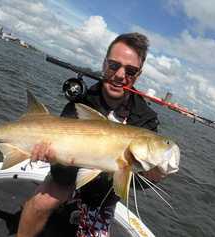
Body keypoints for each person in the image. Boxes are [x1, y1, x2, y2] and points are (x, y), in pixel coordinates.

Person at [17, 32, 163, 237]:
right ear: (104, 64)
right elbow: (60, 175)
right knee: (39, 205)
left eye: (130, 71)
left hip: (103, 195)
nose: (120, 75)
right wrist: (54, 158)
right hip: (67, 177)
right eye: (114, 65)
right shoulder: (82, 101)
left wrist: (154, 176)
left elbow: (134, 183)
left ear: (138, 75)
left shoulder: (145, 120)